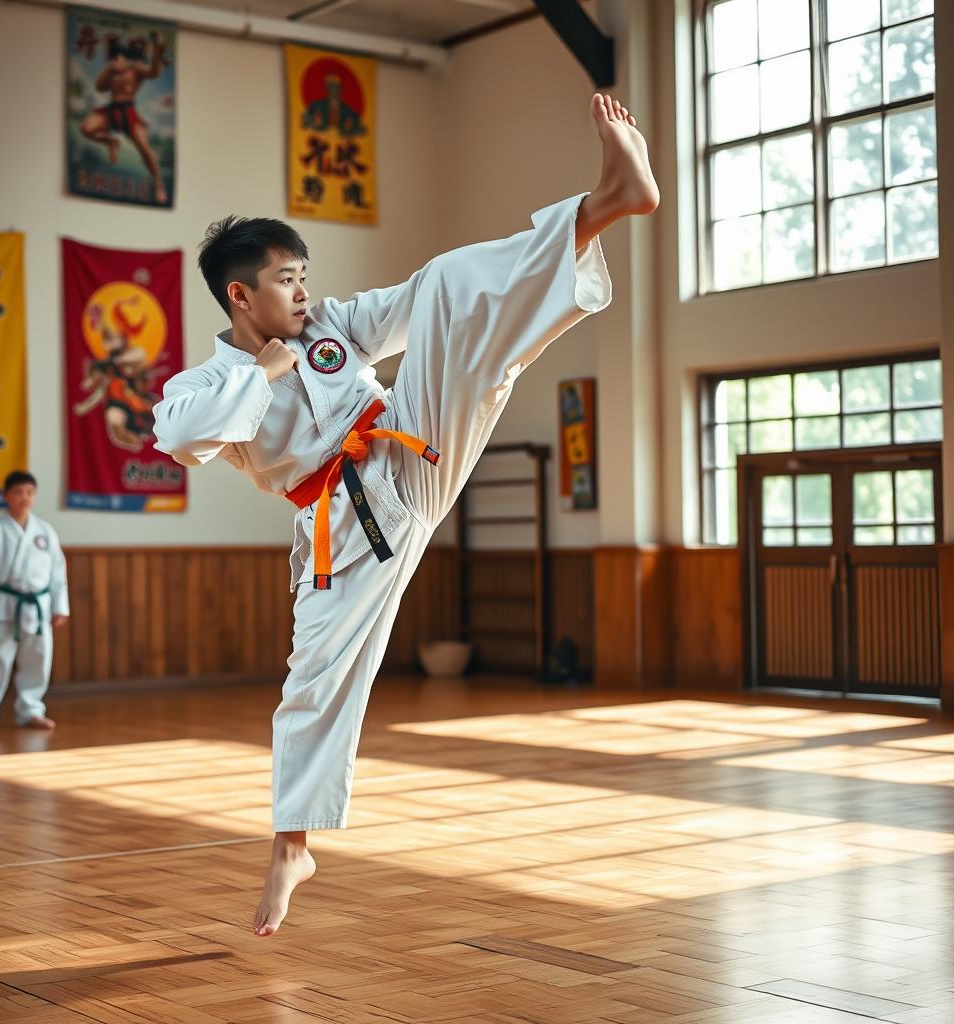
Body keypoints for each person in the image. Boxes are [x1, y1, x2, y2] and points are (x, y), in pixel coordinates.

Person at [153, 94, 658, 935]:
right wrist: (270, 375)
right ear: (240, 297)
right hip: (336, 536)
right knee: (312, 687)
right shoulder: (201, 385)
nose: (305, 292)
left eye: (305, 276)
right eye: (287, 280)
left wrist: (318, 343)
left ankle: (605, 206)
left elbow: (416, 302)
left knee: (453, 292)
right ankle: (292, 847)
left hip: (403, 454)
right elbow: (185, 437)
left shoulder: (335, 327)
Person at [0, 471, 70, 734]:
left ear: (35, 496)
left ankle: (31, 710)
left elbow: (58, 572)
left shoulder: (45, 531)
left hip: (38, 606)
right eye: (18, 492)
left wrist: (60, 607)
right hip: (3, 604)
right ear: (6, 496)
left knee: (38, 660)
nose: (24, 498)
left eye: (29, 492)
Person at [79, 31, 171, 204]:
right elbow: (99, 87)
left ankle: (158, 184)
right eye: (115, 59)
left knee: (145, 149)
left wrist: (158, 49)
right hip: (111, 110)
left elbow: (154, 72)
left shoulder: (135, 68)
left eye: (119, 59)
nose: (117, 62)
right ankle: (110, 142)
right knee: (86, 128)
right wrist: (109, 69)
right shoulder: (112, 69)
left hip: (128, 111)